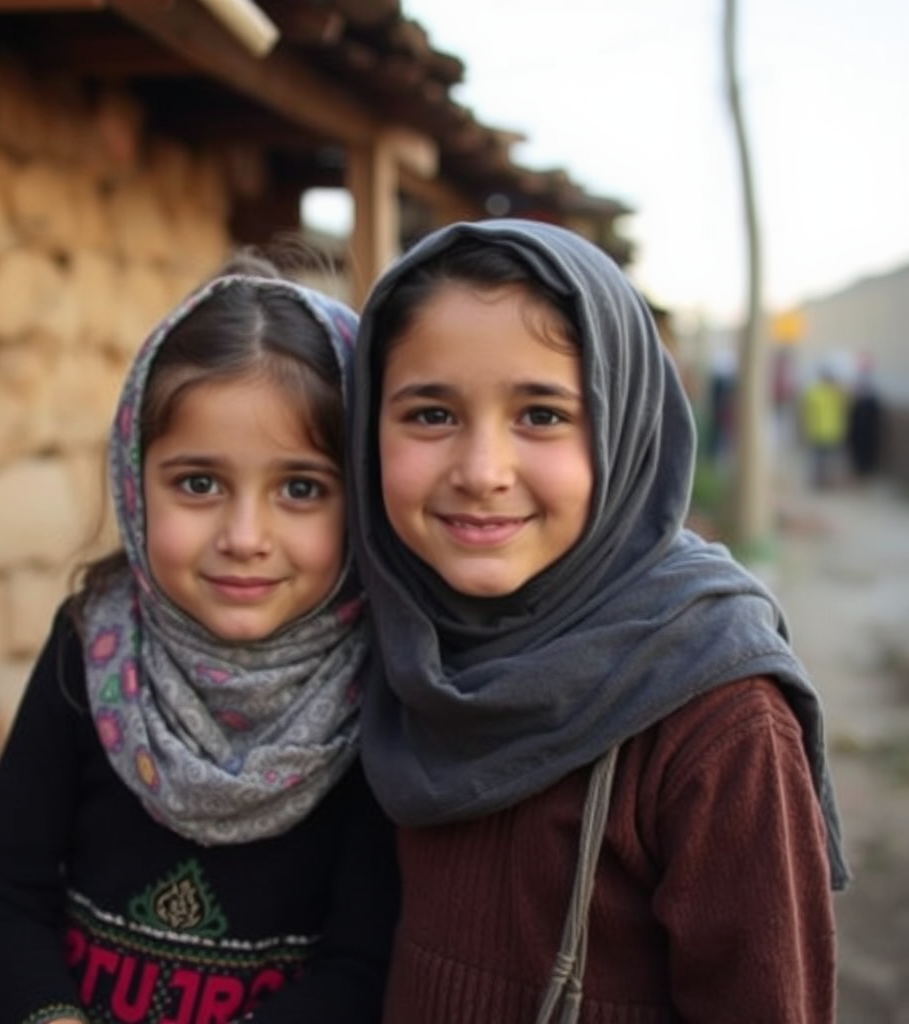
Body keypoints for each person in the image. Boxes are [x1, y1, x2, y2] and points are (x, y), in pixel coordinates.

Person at [347, 219, 848, 1024]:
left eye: (542, 415)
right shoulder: (397, 650)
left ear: (624, 428)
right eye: (431, 415)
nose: (481, 471)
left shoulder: (717, 720)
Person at [0, 258, 399, 1024]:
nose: (245, 537)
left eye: (301, 488)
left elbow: (365, 969)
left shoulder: (382, 689)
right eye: (197, 483)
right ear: (133, 478)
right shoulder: (95, 647)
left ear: (361, 493)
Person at [799, 363, 848, 489]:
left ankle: (827, 482)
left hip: (831, 431)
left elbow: (845, 408)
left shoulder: (836, 392)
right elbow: (806, 410)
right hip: (818, 430)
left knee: (829, 461)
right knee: (817, 460)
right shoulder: (815, 391)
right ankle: (818, 482)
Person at [847, 354, 883, 481]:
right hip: (859, 427)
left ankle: (864, 470)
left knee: (865, 449)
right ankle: (859, 470)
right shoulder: (857, 384)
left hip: (866, 428)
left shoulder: (872, 390)